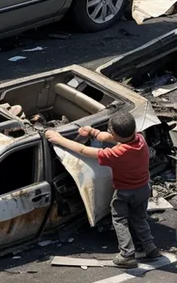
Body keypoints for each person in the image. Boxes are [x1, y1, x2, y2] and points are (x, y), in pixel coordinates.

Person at [45, 113, 160, 269]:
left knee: (119, 219)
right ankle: (150, 247)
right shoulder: (140, 139)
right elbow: (113, 138)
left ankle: (127, 254)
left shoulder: (116, 154)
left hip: (125, 193)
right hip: (143, 189)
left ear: (113, 133)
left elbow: (84, 150)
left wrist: (58, 139)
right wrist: (93, 132)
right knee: (139, 218)